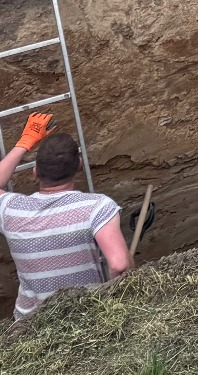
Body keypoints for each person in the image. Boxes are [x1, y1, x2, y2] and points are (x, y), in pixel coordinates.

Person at [0, 113, 128, 321]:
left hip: (29, 326)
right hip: (86, 314)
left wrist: (24, 144)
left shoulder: (10, 210)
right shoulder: (96, 207)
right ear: (78, 166)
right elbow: (119, 264)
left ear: (34, 172)